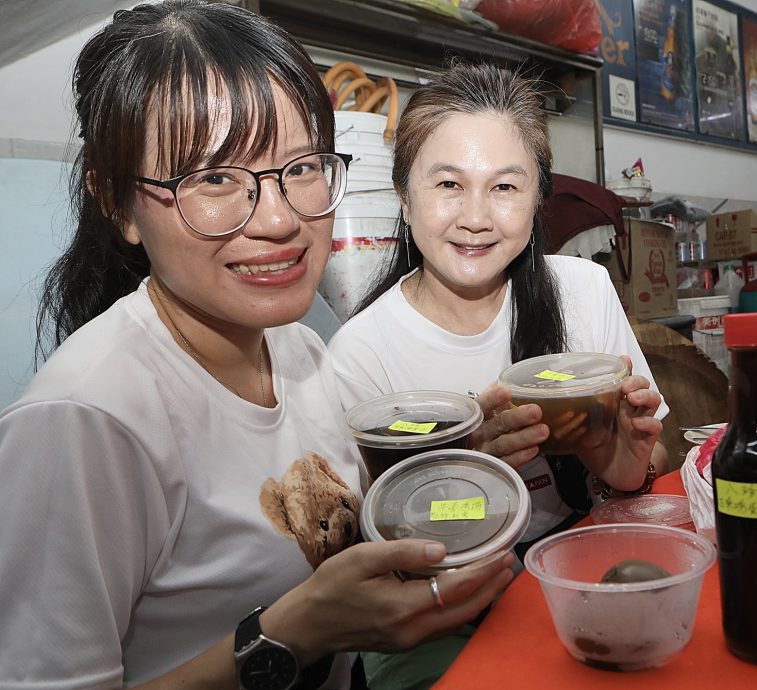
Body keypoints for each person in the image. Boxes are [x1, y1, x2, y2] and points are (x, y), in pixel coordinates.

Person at [0, 2, 513, 688]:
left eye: (301, 167)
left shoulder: (298, 351)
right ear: (117, 202)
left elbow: (347, 532)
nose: (280, 219)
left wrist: (450, 469)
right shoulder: (85, 420)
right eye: (214, 179)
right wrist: (288, 635)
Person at [327, 62, 669, 689]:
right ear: (404, 196)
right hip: (438, 609)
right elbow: (364, 558)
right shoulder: (361, 353)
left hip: (575, 565)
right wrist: (460, 476)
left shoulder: (584, 291)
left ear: (539, 199)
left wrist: (619, 464)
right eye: (449, 184)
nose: (477, 216)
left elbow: (645, 465)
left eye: (506, 187)